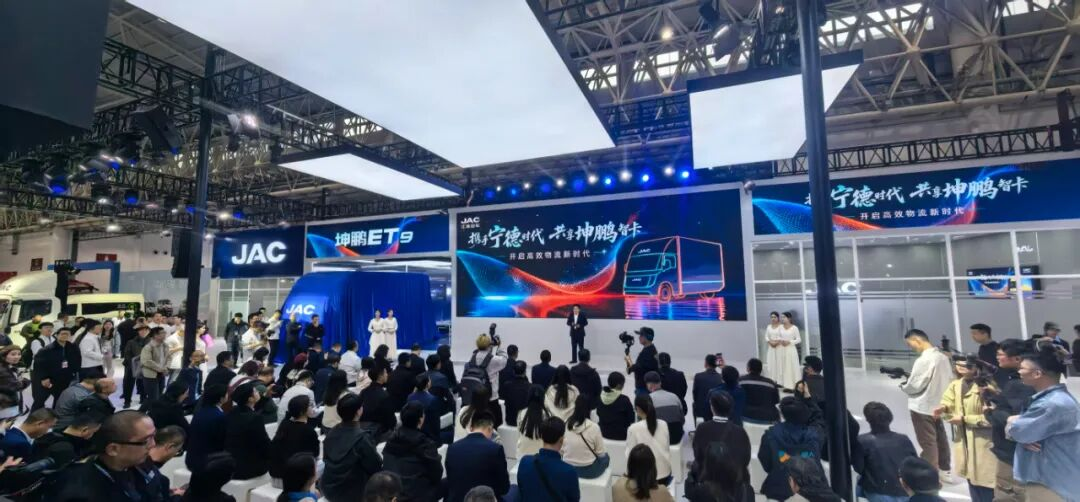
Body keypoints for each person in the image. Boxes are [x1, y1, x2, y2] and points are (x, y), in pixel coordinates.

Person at [1005, 342, 1080, 501]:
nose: (1019, 371)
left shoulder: (1050, 404)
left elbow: (1019, 431)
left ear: (1037, 373)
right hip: (1055, 478)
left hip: (1050, 482)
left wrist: (1012, 421)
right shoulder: (1056, 399)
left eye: (1022, 368)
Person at [40, 411, 158, 502]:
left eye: (154, 436)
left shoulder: (141, 461)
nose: (153, 445)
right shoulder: (80, 491)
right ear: (113, 449)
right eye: (146, 440)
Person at [934, 355, 996, 501]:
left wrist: (965, 419)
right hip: (964, 441)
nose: (961, 368)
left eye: (967, 365)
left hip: (984, 440)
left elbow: (994, 418)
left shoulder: (986, 387)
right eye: (959, 365)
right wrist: (943, 408)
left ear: (976, 367)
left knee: (986, 481)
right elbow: (948, 401)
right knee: (971, 478)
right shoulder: (955, 385)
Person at [984, 339, 1034, 502]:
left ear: (1017, 359)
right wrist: (997, 397)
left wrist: (990, 413)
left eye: (1001, 354)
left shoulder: (1020, 384)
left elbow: (1016, 419)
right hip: (1018, 453)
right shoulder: (1021, 382)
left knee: (1008, 493)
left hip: (1011, 454)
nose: (997, 357)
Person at [899, 328, 954, 477]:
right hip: (939, 405)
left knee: (928, 441)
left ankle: (931, 474)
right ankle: (945, 469)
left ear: (917, 340)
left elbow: (916, 384)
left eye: (910, 344)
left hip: (922, 406)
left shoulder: (924, 360)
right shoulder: (943, 357)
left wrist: (904, 386)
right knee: (941, 438)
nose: (911, 347)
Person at [758, 397, 823, 501]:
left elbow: (765, 461)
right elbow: (819, 419)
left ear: (783, 414)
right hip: (811, 488)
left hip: (778, 486)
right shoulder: (815, 436)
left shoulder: (770, 435)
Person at [690, 391, 752, 500]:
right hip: (735, 484)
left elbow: (698, 456)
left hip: (708, 481)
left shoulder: (702, 429)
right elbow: (746, 459)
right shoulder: (740, 432)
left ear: (712, 407)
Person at [322, 393, 384, 502]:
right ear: (359, 411)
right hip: (353, 493)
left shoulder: (331, 433)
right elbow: (375, 466)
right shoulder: (362, 438)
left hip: (328, 488)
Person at [853, 402, 918, 502]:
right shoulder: (904, 439)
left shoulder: (862, 441)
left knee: (860, 479)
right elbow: (915, 463)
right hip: (905, 491)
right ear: (890, 418)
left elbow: (859, 468)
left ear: (868, 420)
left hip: (879, 491)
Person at [383, 400, 445, 501]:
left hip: (394, 494)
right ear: (421, 420)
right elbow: (437, 474)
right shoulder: (425, 444)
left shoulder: (390, 440)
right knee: (449, 482)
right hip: (417, 495)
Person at [446, 411, 510, 502]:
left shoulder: (452, 448)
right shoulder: (495, 449)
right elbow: (504, 488)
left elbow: (450, 481)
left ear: (471, 428)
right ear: (490, 429)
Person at [516, 415, 581, 501]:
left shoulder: (525, 461)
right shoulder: (569, 471)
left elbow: (521, 489)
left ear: (541, 437)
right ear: (561, 440)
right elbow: (574, 499)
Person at [224, 381, 271, 479]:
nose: (258, 392)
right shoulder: (255, 418)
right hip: (247, 468)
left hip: (230, 463)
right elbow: (264, 443)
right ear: (250, 398)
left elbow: (252, 409)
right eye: (255, 391)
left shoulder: (232, 412)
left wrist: (265, 397)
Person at [270, 395, 320, 481]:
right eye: (310, 405)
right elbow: (315, 454)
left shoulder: (284, 424)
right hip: (294, 477)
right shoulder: (309, 431)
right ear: (302, 412)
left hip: (277, 473)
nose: (312, 407)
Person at [626, 395, 672, 485]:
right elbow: (667, 448)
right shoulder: (664, 424)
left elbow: (630, 455)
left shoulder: (633, 428)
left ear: (637, 409)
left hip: (645, 478)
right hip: (665, 474)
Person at [563, 394, 610, 478]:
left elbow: (562, 448)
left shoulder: (566, 423)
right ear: (590, 408)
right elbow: (600, 453)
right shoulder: (594, 427)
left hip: (567, 467)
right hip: (589, 471)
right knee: (606, 457)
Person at [187, 384, 229, 472]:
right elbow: (222, 441)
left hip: (191, 459)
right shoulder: (219, 416)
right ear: (221, 398)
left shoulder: (199, 412)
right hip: (208, 462)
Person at [33, 326, 80, 405]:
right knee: (40, 399)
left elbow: (77, 360)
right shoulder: (47, 349)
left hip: (65, 376)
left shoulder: (73, 347)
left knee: (60, 398)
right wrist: (44, 377)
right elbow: (39, 364)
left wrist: (75, 372)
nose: (65, 336)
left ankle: (57, 412)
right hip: (50, 377)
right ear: (57, 335)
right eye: (63, 334)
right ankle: (36, 412)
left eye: (67, 334)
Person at [32, 411, 101, 464]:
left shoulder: (49, 435)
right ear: (84, 430)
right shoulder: (66, 448)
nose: (93, 435)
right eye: (94, 432)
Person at [464, 334, 507, 403]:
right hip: (491, 397)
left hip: (476, 394)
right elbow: (504, 360)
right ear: (489, 344)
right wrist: (499, 346)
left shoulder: (473, 356)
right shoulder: (494, 359)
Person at [644, 371, 684, 444]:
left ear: (649, 385)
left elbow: (644, 423)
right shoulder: (674, 396)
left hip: (659, 439)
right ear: (660, 383)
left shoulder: (648, 399)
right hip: (676, 437)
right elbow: (682, 420)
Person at [764, 311, 801, 390]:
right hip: (782, 349)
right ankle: (786, 385)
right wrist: (778, 341)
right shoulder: (781, 327)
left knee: (792, 366)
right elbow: (778, 336)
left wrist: (789, 342)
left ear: (789, 318)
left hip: (791, 349)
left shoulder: (794, 328)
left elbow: (798, 339)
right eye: (782, 317)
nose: (782, 319)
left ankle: (794, 386)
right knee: (784, 367)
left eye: (784, 317)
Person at [598, 371, 635, 440]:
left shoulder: (600, 397)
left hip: (603, 433)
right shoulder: (624, 400)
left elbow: (598, 413)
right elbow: (631, 419)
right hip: (622, 435)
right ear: (619, 385)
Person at [741, 358, 780, 423]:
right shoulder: (771, 383)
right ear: (761, 370)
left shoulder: (741, 381)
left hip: (746, 417)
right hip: (769, 418)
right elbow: (776, 401)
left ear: (748, 368)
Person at [406, 374, 444, 442]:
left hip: (413, 432)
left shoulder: (410, 397)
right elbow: (435, 421)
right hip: (428, 435)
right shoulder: (433, 399)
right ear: (427, 384)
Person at [120, 324, 149, 408]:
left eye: (145, 330)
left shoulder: (151, 341)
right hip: (131, 365)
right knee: (128, 383)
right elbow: (127, 354)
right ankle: (127, 401)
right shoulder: (131, 342)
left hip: (146, 365)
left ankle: (143, 398)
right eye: (141, 330)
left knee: (143, 383)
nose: (143, 332)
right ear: (138, 331)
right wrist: (133, 363)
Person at [27, 322, 55, 410]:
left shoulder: (54, 339)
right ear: (40, 329)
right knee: (39, 394)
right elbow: (40, 355)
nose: (49, 329)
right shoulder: (36, 341)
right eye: (46, 327)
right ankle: (36, 413)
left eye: (51, 327)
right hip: (38, 371)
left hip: (52, 370)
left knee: (55, 392)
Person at [517, 385, 550, 458]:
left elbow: (519, 434)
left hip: (522, 457)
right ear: (543, 398)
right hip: (541, 457)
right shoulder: (547, 416)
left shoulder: (521, 413)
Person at [625, 327, 659, 395]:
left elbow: (639, 367)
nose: (639, 337)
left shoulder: (649, 352)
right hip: (644, 388)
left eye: (641, 335)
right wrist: (627, 356)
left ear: (648, 337)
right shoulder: (650, 350)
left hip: (644, 389)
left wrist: (631, 366)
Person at [140, 327, 169, 403]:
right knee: (153, 398)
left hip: (161, 374)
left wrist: (166, 367)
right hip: (150, 375)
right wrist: (161, 369)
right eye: (162, 333)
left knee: (159, 396)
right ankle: (148, 410)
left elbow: (168, 357)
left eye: (165, 332)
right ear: (155, 335)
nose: (165, 334)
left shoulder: (165, 345)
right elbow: (146, 361)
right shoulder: (148, 347)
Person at [692, 354, 724, 422]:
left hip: (701, 412)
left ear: (706, 363)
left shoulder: (698, 376)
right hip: (716, 411)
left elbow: (695, 394)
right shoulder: (720, 377)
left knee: (695, 404)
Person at [501, 361, 531, 427]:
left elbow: (504, 399)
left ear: (513, 372)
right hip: (523, 421)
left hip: (510, 421)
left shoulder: (506, 385)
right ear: (525, 372)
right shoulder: (530, 387)